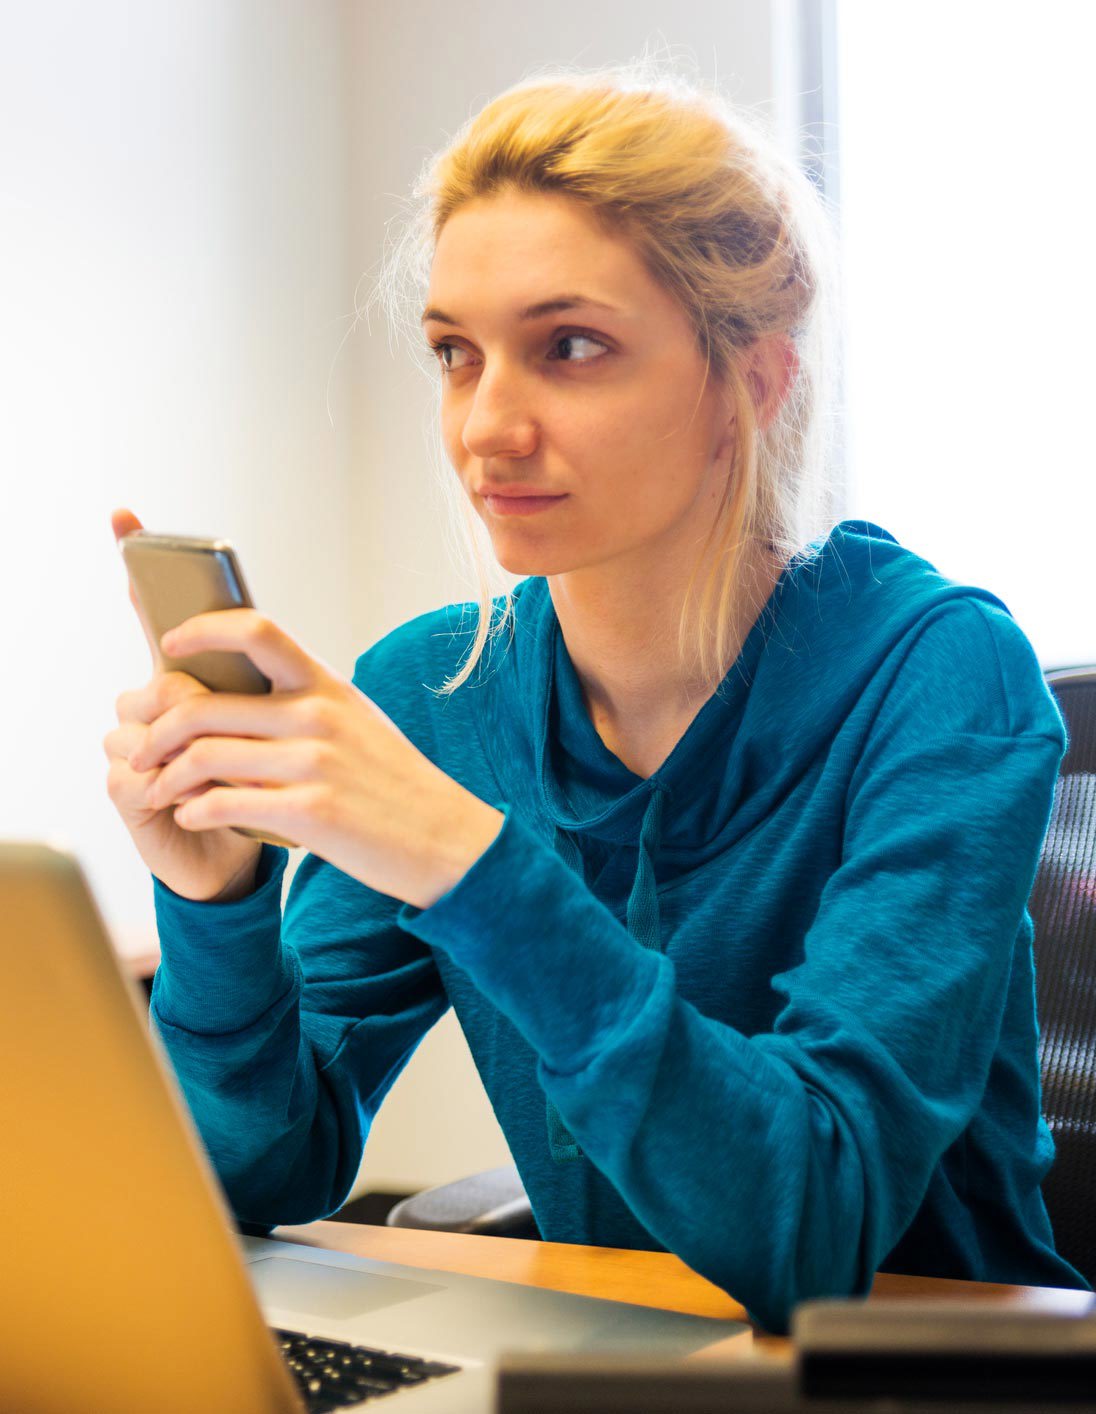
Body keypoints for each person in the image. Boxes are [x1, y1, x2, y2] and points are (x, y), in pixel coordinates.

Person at [103, 59, 1090, 1335]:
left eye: (568, 347)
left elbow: (808, 1228)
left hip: (926, 1368)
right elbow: (255, 1170)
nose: (484, 428)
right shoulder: (435, 690)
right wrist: (217, 896)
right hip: (622, 1353)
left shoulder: (939, 674)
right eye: (456, 354)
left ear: (754, 379)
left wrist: (467, 861)